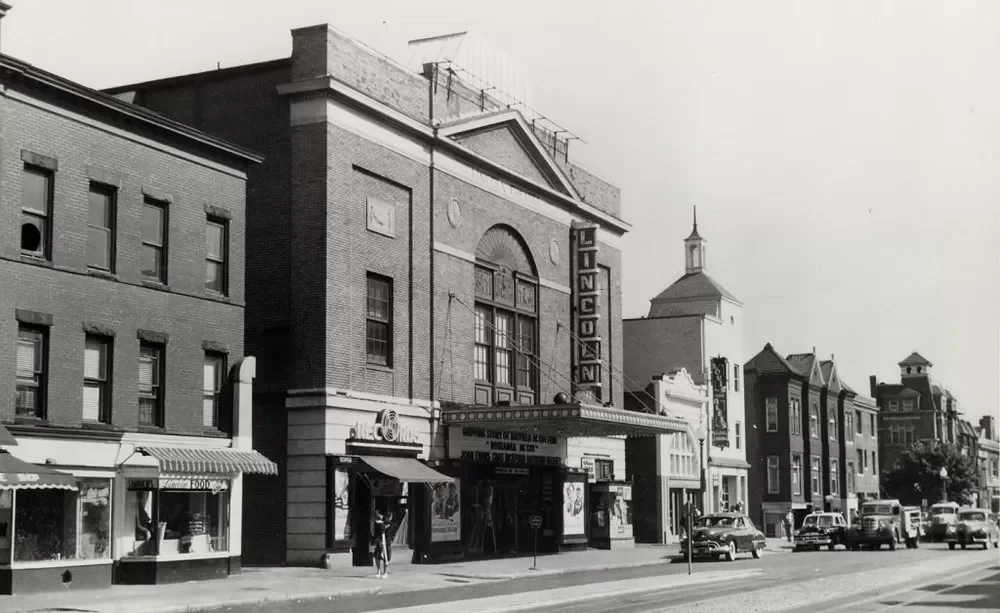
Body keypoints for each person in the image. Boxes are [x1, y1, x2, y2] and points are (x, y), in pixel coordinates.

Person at [371, 511, 388, 578]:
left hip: (380, 542)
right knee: (381, 556)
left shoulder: (378, 524)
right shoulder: (381, 524)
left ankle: (380, 571)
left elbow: (382, 534)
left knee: (379, 556)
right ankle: (383, 572)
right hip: (381, 541)